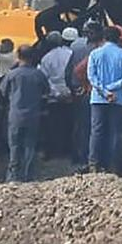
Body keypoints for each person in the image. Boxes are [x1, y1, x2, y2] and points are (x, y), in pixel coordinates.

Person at [87, 26, 122, 172]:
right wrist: (113, 87)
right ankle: (113, 165)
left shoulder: (95, 54)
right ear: (118, 39)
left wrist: (104, 91)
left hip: (98, 99)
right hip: (117, 99)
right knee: (115, 132)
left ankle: (94, 163)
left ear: (104, 38)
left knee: (97, 130)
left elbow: (91, 77)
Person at [0, 44, 49, 182]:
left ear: (18, 56)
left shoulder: (12, 74)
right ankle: (28, 176)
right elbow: (47, 92)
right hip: (33, 115)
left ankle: (13, 177)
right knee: (30, 146)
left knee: (14, 146)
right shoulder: (39, 75)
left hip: (15, 115)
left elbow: (2, 92)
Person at [65, 22, 98, 166]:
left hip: (78, 90)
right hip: (94, 91)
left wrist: (72, 88)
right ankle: (89, 158)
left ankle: (76, 156)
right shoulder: (98, 50)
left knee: (79, 125)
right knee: (93, 126)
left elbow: (68, 72)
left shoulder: (76, 48)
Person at [38, 29, 74, 158]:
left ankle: (53, 151)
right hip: (70, 95)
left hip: (53, 98)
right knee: (69, 125)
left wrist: (56, 93)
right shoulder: (70, 54)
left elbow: (44, 79)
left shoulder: (46, 58)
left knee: (53, 126)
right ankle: (67, 151)